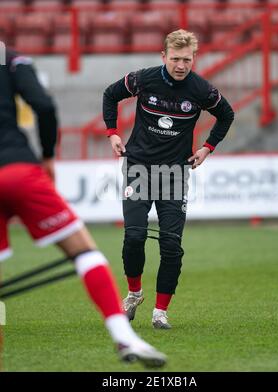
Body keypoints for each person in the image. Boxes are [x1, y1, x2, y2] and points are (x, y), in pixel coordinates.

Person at [0, 48, 166, 368]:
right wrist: (48, 155)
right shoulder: (11, 58)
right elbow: (44, 106)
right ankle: (125, 336)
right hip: (19, 168)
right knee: (86, 253)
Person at [103, 29, 234, 329]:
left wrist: (207, 148)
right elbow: (111, 95)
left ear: (193, 59)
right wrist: (112, 133)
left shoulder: (202, 90)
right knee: (134, 237)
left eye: (187, 60)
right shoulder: (143, 79)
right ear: (163, 56)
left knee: (171, 245)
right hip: (138, 168)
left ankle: (161, 312)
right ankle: (134, 294)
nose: (180, 65)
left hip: (175, 174)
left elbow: (226, 115)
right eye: (175, 58)